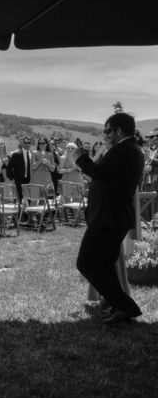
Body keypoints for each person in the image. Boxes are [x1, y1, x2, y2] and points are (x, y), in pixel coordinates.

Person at [71, 112, 145, 324]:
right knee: (104, 263)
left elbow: (99, 173)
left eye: (107, 131)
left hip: (109, 217)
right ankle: (115, 304)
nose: (104, 135)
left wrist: (80, 157)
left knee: (86, 262)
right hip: (112, 216)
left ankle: (124, 305)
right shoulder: (127, 150)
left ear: (119, 131)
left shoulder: (123, 151)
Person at [6, 135, 33, 202]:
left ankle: (27, 212)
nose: (27, 144)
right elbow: (8, 167)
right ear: (22, 143)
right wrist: (12, 178)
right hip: (19, 181)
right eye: (25, 143)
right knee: (20, 200)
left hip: (30, 181)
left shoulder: (32, 154)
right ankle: (20, 212)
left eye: (29, 143)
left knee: (30, 200)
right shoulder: (16, 155)